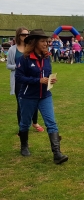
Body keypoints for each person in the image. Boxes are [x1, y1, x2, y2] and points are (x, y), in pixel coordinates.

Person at [15, 29, 68, 164]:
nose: (46, 43)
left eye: (47, 41)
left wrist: (50, 80)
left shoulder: (46, 58)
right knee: (25, 123)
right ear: (34, 42)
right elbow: (19, 77)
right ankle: (24, 146)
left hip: (45, 95)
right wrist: (38, 81)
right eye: (43, 41)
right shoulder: (24, 59)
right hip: (28, 96)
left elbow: (46, 74)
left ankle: (57, 153)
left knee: (51, 122)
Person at [6, 27, 44, 133]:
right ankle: (21, 127)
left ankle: (35, 122)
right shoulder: (12, 49)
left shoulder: (32, 48)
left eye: (27, 35)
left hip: (33, 78)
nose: (25, 37)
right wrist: (17, 67)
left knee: (35, 100)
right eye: (23, 35)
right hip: (19, 80)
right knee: (21, 103)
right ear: (18, 36)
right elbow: (8, 65)